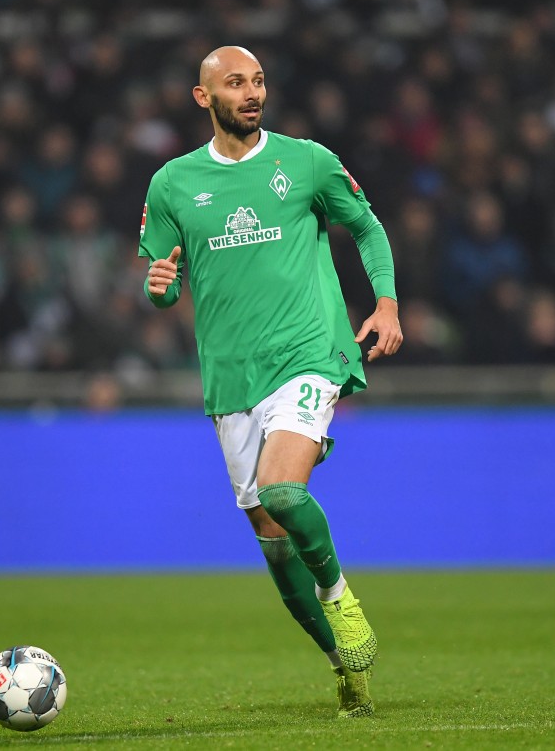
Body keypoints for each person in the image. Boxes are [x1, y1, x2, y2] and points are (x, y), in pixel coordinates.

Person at [137, 46, 402, 719]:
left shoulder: (306, 160)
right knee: (271, 539)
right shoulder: (172, 183)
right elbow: (162, 282)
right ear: (205, 98)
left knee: (285, 489)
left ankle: (342, 600)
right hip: (231, 378)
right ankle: (344, 665)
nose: (251, 93)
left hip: (309, 353)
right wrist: (160, 290)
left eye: (257, 81)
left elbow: (366, 227)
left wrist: (388, 302)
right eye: (235, 83)